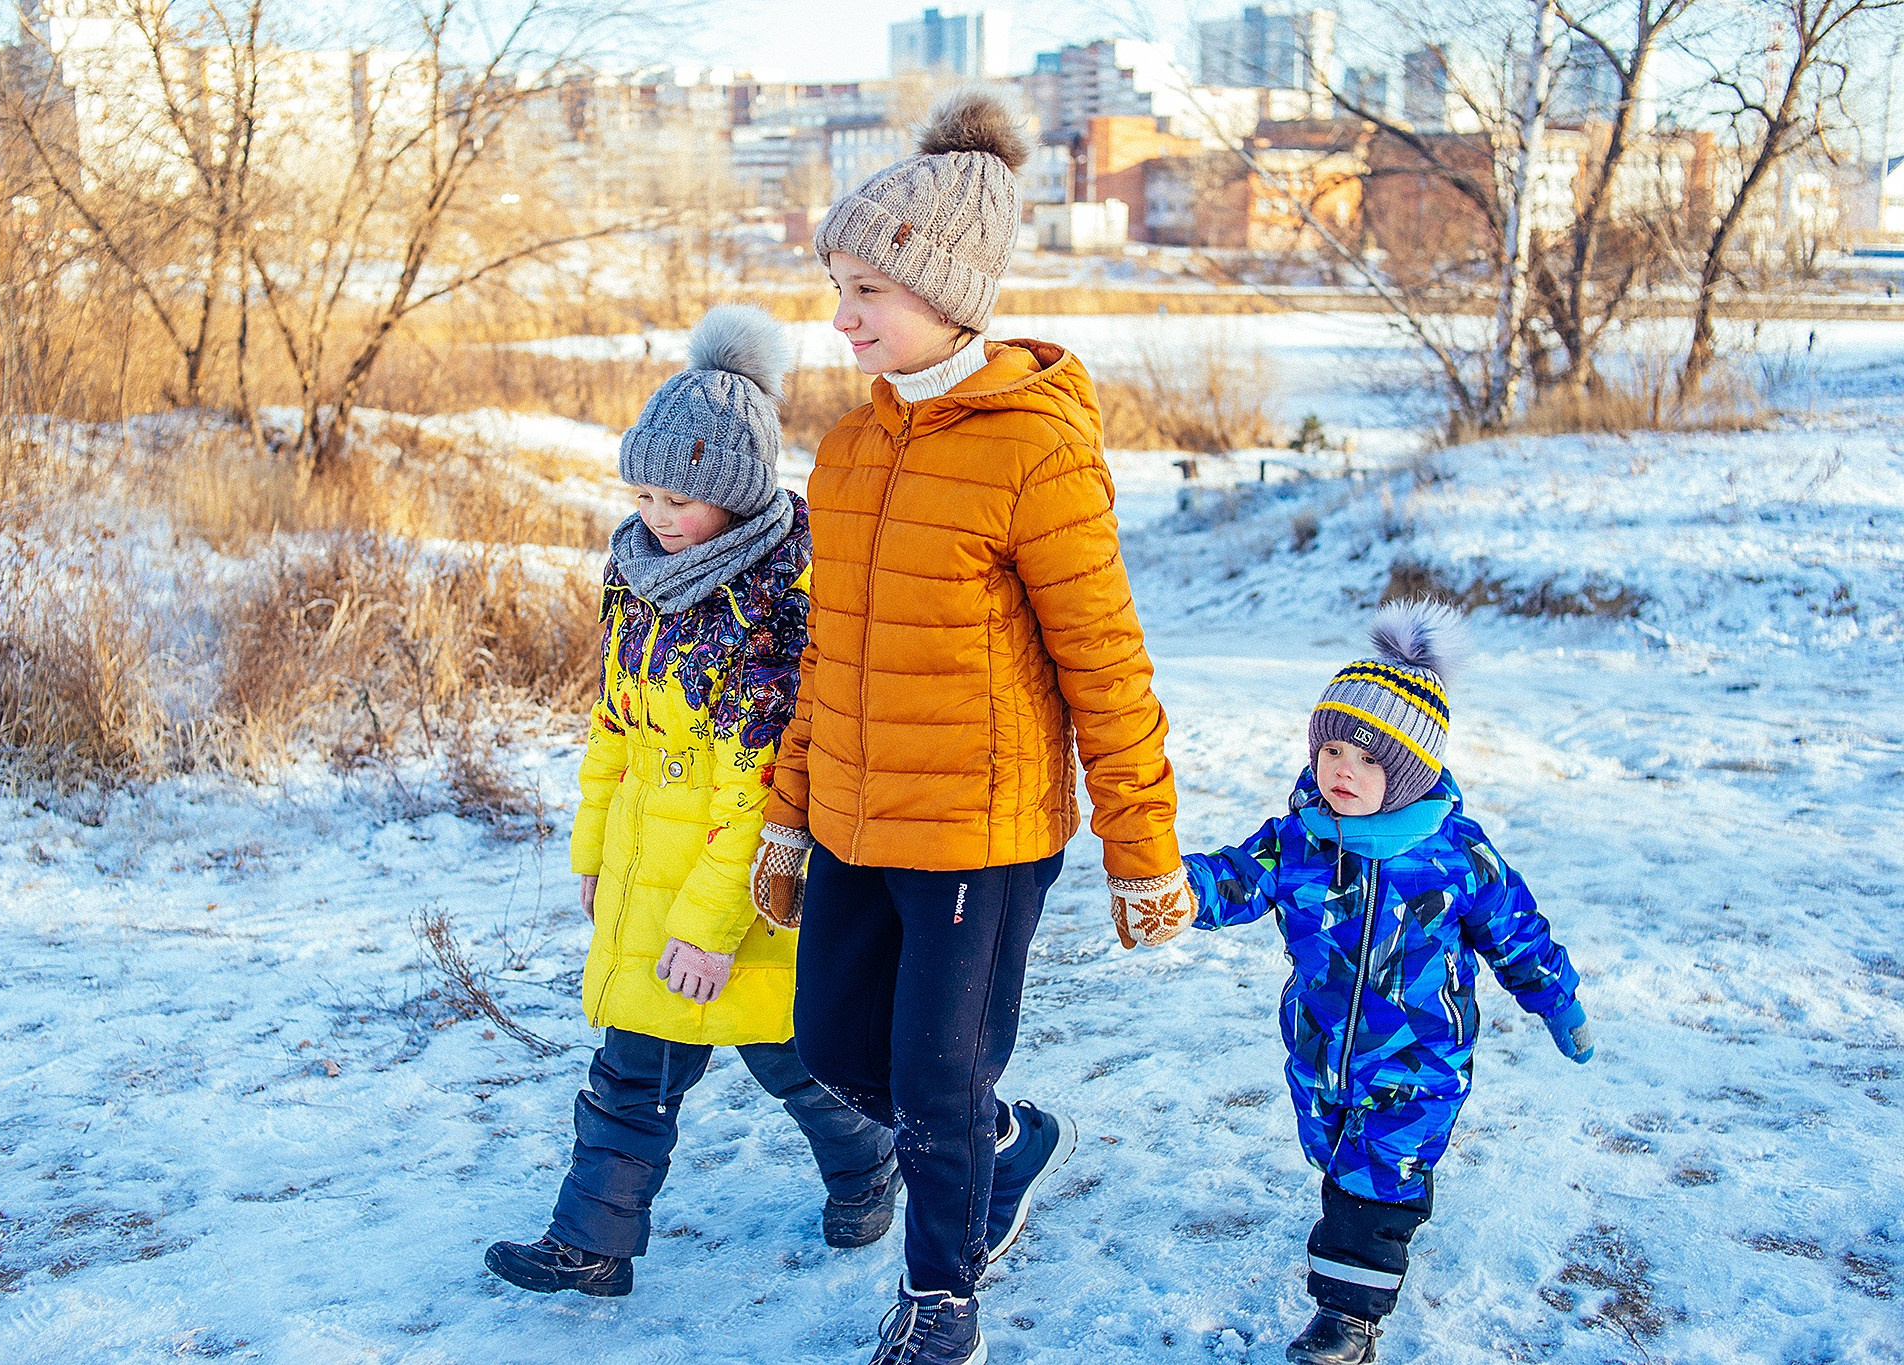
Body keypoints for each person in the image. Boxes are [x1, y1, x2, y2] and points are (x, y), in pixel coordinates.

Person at [746, 93, 1194, 1365]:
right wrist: (788, 817)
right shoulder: (847, 451)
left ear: (945, 288)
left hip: (976, 834)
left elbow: (1102, 657)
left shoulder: (1033, 453)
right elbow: (826, 656)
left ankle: (942, 1299)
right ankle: (1004, 1141)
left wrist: (1141, 845)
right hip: (850, 818)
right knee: (828, 1045)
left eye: (867, 288)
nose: (840, 316)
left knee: (936, 1086)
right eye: (836, 284)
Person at [484, 306, 897, 1300]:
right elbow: (612, 729)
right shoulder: (640, 578)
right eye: (644, 491)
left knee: (788, 1059)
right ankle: (591, 1248)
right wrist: (591, 856)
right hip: (647, 875)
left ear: (741, 493)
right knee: (633, 1071)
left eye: (683, 498)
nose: (659, 515)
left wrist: (712, 928)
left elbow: (761, 791)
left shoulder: (771, 608)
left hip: (735, 895)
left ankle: (868, 1160)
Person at [1181, 601, 1595, 1364]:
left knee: (1376, 1179)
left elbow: (1516, 932)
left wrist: (1558, 999)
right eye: (1333, 748)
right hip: (1318, 1051)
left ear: (1407, 774)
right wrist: (1176, 888)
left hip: (1419, 1061)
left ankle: (1346, 1321)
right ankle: (1373, 1230)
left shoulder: (1452, 855)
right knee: (1339, 1161)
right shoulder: (1299, 839)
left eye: (1371, 759)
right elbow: (1237, 880)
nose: (1344, 768)